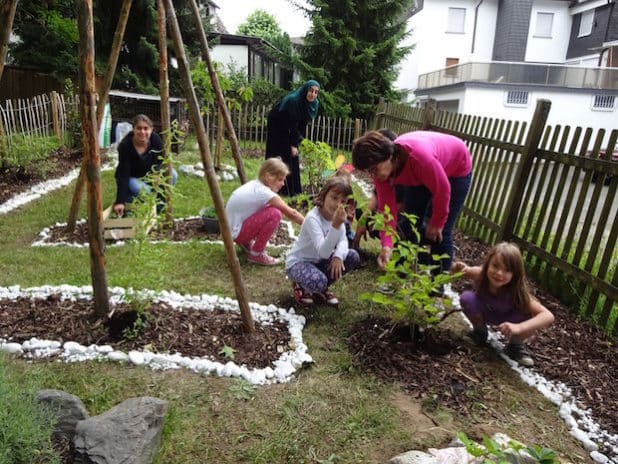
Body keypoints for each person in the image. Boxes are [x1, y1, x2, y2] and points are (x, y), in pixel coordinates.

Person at [351, 130, 472, 274]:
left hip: (456, 169)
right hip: (423, 172)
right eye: (369, 171)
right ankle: (400, 274)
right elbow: (386, 211)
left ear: (388, 156)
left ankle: (437, 289)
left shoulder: (420, 158)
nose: (373, 175)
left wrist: (437, 222)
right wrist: (386, 246)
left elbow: (443, 189)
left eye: (374, 169)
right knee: (409, 225)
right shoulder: (382, 173)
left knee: (441, 232)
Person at [452, 242, 555, 367]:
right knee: (467, 298)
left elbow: (548, 315)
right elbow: (463, 270)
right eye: (495, 266)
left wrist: (520, 327)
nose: (499, 273)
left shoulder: (517, 292)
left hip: (511, 320)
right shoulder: (481, 274)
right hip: (486, 312)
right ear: (488, 264)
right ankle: (480, 332)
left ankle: (515, 345)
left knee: (532, 314)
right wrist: (458, 268)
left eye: (507, 270)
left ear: (515, 274)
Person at [286, 176, 361, 307]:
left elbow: (343, 240)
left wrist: (338, 256)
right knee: (318, 281)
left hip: (318, 262)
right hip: (299, 262)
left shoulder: (337, 216)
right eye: (334, 198)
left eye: (343, 201)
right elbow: (323, 252)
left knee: (352, 256)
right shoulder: (312, 219)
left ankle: (321, 288)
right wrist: (336, 226)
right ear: (324, 195)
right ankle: (302, 285)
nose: (338, 204)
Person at [225, 158, 305, 266]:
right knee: (275, 214)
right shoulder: (265, 193)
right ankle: (256, 254)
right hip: (234, 233)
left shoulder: (255, 185)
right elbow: (292, 213)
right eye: (280, 179)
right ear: (268, 177)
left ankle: (246, 244)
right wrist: (311, 225)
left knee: (267, 210)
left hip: (228, 231)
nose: (283, 184)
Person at [113, 114, 177, 217]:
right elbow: (123, 174)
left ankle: (159, 205)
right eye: (139, 128)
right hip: (132, 178)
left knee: (172, 174)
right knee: (142, 190)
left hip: (150, 176)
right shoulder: (125, 146)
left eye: (146, 128)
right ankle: (135, 199)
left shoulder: (155, 139)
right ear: (133, 129)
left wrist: (158, 173)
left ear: (151, 130)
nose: (142, 132)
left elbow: (162, 160)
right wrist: (120, 201)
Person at [265, 80, 320, 196]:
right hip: (277, 122)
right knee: (282, 153)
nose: (313, 94)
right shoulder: (294, 101)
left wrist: (297, 143)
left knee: (293, 155)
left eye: (316, 92)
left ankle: (295, 189)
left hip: (291, 124)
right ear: (306, 90)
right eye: (311, 91)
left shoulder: (313, 104)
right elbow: (292, 124)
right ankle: (282, 189)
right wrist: (293, 144)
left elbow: (302, 124)